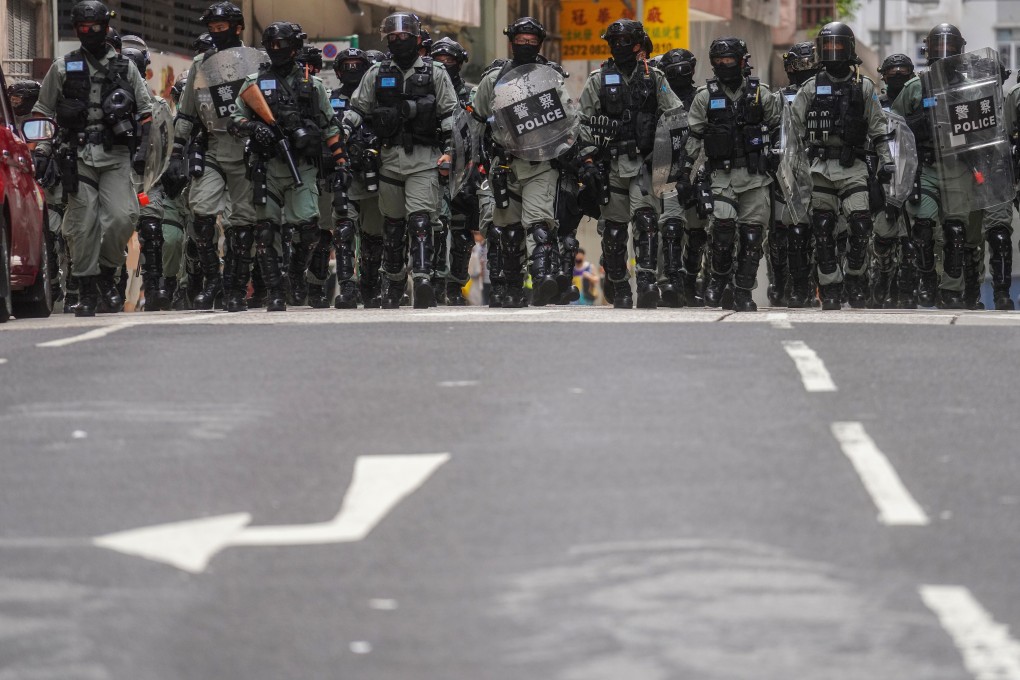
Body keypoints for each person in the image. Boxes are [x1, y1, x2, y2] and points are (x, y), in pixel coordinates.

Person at [32, 0, 153, 317]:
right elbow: (43, 113)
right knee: (81, 227)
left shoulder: (126, 68)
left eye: (94, 27)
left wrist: (142, 151)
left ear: (105, 27)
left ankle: (103, 270)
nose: (89, 32)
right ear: (76, 30)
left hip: (116, 156)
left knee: (121, 217)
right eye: (83, 28)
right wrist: (43, 151)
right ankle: (86, 289)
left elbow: (146, 112)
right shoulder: (62, 67)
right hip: (78, 157)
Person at [341, 12, 459, 308]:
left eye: (404, 36)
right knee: (392, 225)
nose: (398, 41)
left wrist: (450, 152)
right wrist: (340, 135)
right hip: (389, 159)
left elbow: (450, 116)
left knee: (420, 219)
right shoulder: (377, 73)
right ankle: (393, 284)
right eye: (393, 37)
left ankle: (422, 279)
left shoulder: (435, 73)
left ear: (417, 39)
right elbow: (358, 108)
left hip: (425, 158)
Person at [231, 22, 343, 312]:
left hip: (302, 165)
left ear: (295, 48)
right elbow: (234, 120)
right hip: (266, 165)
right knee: (266, 232)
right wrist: (254, 127)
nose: (278, 50)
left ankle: (295, 273)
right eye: (273, 45)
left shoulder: (312, 84)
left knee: (308, 228)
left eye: (283, 45)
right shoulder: (253, 83)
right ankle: (276, 292)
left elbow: (330, 125)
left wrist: (340, 162)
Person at [579, 19, 683, 309]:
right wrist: (588, 158)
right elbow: (582, 122)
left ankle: (648, 282)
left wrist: (662, 152)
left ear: (638, 44)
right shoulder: (597, 79)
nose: (618, 47)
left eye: (625, 41)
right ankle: (620, 285)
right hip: (610, 164)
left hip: (644, 163)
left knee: (647, 222)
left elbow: (675, 115)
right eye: (614, 41)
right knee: (613, 229)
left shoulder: (655, 77)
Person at [787, 23, 892, 310]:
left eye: (838, 46)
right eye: (828, 46)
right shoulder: (809, 88)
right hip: (819, 167)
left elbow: (879, 128)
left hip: (854, 166)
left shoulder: (864, 85)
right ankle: (829, 285)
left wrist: (887, 162)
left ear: (849, 49)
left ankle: (855, 278)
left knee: (860, 224)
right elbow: (793, 133)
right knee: (823, 229)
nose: (833, 52)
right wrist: (792, 169)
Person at [469, 16, 570, 307]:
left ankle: (542, 281)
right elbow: (475, 122)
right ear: (511, 42)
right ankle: (507, 287)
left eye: (532, 42)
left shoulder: (551, 78)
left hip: (541, 162)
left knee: (539, 223)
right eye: (520, 41)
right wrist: (473, 160)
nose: (526, 45)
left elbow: (566, 117)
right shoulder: (492, 79)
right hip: (504, 164)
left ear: (540, 44)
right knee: (505, 231)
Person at [166, 1, 258, 311]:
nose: (218, 34)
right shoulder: (200, 64)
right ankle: (211, 280)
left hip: (247, 152)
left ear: (238, 29)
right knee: (201, 212)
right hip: (212, 148)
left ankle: (234, 288)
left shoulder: (257, 62)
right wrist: (177, 151)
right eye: (213, 30)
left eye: (223, 29)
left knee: (242, 224)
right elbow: (187, 113)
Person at [679, 37, 782, 311]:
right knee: (722, 233)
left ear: (742, 61)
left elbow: (780, 129)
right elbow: (694, 137)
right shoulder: (705, 96)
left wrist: (777, 158)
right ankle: (718, 281)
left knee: (751, 237)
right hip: (721, 177)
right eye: (718, 61)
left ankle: (743, 292)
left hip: (756, 177)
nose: (724, 65)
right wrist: (684, 173)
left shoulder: (761, 93)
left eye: (729, 60)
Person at [329, 47, 383, 308]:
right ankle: (347, 288)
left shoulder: (380, 98)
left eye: (357, 65)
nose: (352, 70)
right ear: (338, 70)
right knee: (343, 230)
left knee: (374, 234)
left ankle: (370, 286)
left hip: (374, 173)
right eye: (347, 65)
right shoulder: (329, 99)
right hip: (343, 172)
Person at [769, 41, 817, 307]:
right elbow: (771, 127)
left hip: (818, 164)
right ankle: (780, 281)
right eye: (797, 62)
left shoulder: (825, 91)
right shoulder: (780, 96)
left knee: (819, 229)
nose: (801, 68)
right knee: (780, 231)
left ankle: (816, 284)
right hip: (786, 167)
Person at [655, 48, 704, 306]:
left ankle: (689, 282)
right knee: (670, 228)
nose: (680, 74)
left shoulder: (702, 98)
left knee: (697, 233)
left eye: (684, 68)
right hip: (667, 170)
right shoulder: (657, 97)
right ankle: (669, 282)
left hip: (700, 170)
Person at [873, 53, 918, 308]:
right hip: (884, 172)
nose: (898, 76)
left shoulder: (918, 103)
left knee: (911, 238)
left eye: (904, 72)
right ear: (884, 75)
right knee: (883, 235)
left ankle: (906, 290)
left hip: (912, 172)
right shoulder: (878, 104)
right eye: (893, 72)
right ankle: (883, 273)